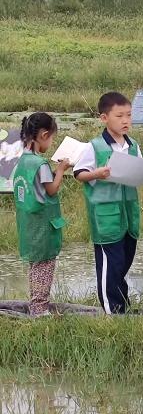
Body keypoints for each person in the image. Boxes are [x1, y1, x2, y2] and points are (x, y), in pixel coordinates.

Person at [75, 92, 143, 314]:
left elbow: (139, 171)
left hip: (128, 214)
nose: (125, 120)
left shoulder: (133, 145)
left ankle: (122, 305)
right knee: (111, 264)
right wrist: (97, 173)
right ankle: (112, 311)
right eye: (119, 116)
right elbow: (79, 173)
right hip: (106, 217)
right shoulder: (94, 146)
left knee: (124, 261)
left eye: (128, 115)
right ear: (104, 118)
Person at [12, 112, 69, 317]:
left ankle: (36, 305)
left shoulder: (22, 161)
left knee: (35, 265)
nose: (52, 142)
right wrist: (61, 169)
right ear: (44, 135)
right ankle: (40, 308)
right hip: (43, 225)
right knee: (44, 266)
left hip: (28, 222)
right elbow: (51, 189)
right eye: (52, 137)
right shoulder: (40, 163)